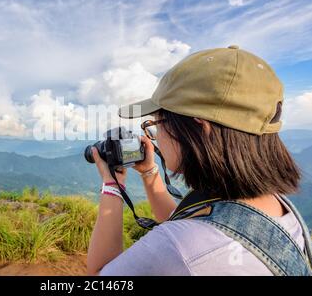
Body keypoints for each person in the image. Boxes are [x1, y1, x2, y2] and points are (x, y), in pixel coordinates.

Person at [87, 45, 312, 276]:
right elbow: (194, 222)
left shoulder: (177, 248)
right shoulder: (277, 207)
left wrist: (113, 186)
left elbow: (101, 274)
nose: (154, 136)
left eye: (156, 124)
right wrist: (149, 173)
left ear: (199, 128)